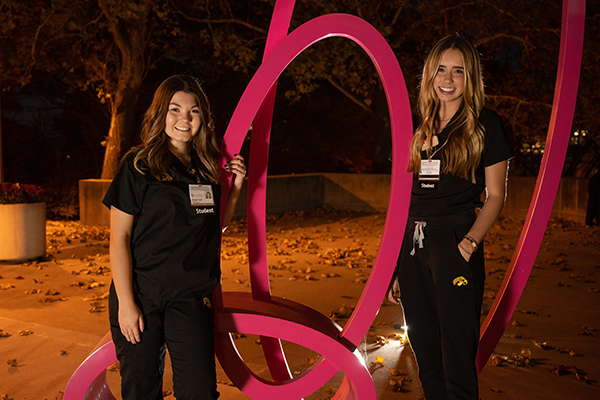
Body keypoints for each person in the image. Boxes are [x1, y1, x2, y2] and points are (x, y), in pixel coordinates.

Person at [102, 74, 246, 399]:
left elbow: (214, 226)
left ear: (203, 118)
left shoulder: (206, 168)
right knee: (142, 390)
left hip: (190, 298)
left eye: (193, 111)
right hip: (142, 296)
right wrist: (127, 303)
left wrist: (234, 189)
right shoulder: (137, 165)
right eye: (175, 109)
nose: (184, 119)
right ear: (160, 114)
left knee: (200, 391)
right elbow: (120, 239)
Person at [387, 35, 513, 400]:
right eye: (441, 69)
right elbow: (404, 201)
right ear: (429, 75)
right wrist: (397, 264)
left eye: (458, 71)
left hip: (455, 244)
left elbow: (497, 196)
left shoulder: (486, 124)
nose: (448, 78)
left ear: (470, 77)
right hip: (413, 248)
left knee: (456, 355)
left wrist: (468, 245)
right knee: (425, 353)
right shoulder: (415, 126)